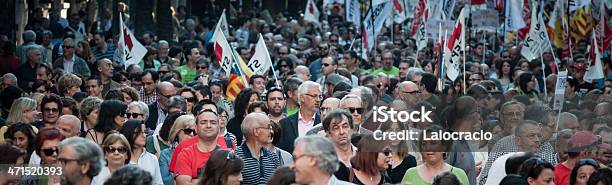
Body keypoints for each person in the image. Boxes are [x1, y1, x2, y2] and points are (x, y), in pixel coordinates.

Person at [402, 125, 470, 185]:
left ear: (444, 146)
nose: (428, 148)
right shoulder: (410, 174)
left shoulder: (459, 174)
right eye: (424, 144)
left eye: (433, 143)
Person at [173, 109, 222, 184]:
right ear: (196, 127)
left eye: (213, 122)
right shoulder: (185, 154)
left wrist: (195, 181)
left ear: (218, 127)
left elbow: (235, 181)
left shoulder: (228, 153)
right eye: (203, 122)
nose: (208, 125)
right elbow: (183, 183)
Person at [235, 112, 281, 184]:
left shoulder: (273, 157)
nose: (271, 131)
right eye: (268, 127)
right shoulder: (235, 157)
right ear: (256, 131)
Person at [278, 81, 322, 153]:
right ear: (302, 98)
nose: (318, 100)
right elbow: (279, 151)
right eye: (314, 96)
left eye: (320, 97)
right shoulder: (285, 123)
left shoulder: (323, 122)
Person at [159, 114, 196, 185]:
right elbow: (166, 182)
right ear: (177, 132)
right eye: (188, 131)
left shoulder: (201, 153)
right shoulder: (165, 155)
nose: (192, 134)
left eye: (195, 132)